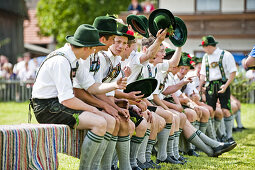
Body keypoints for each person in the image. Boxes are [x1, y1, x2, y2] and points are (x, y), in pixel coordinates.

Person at [30, 24, 118, 169]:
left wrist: (115, 85)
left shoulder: (75, 59)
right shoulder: (61, 61)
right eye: (93, 48)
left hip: (57, 105)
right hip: (46, 108)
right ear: (86, 48)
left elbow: (92, 87)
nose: (93, 52)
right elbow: (67, 99)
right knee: (100, 122)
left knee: (109, 120)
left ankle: (98, 167)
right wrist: (94, 110)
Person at [198, 35, 237, 143]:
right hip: (210, 85)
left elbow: (233, 72)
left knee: (225, 109)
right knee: (211, 110)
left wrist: (226, 85)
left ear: (209, 46)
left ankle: (229, 136)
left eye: (204, 47)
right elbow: (202, 74)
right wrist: (200, 87)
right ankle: (216, 135)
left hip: (223, 83)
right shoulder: (205, 57)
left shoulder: (225, 55)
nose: (204, 49)